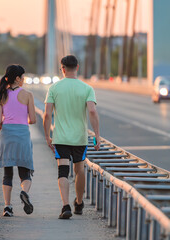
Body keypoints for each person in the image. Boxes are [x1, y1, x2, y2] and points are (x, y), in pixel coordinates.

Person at [43, 55, 101, 219]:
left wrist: (48, 136)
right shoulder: (87, 88)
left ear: (62, 68)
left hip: (60, 137)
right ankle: (79, 203)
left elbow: (47, 115)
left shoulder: (54, 88)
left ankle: (65, 205)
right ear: (77, 67)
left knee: (63, 170)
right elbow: (92, 111)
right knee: (79, 169)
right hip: (79, 138)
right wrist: (97, 135)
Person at [0, 64, 37, 217]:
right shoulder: (28, 95)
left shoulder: (0, 95)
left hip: (7, 134)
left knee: (7, 174)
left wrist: (8, 119)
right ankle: (24, 192)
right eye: (23, 77)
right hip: (22, 135)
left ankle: (7, 207)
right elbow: (32, 119)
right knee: (25, 172)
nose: (24, 80)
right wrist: (22, 118)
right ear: (18, 78)